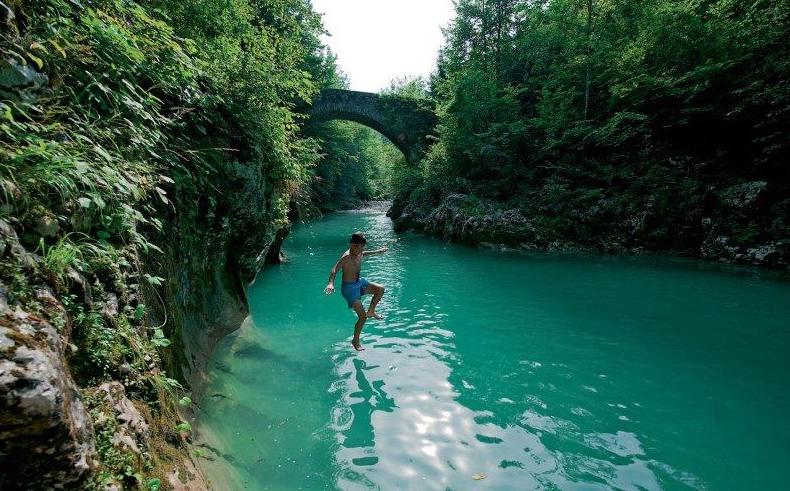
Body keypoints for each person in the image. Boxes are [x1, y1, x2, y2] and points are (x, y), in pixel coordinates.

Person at [324, 231, 388, 351]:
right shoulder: (346, 257)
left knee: (380, 289)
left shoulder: (359, 252)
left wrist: (378, 251)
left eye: (362, 247)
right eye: (359, 247)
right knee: (362, 317)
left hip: (359, 283)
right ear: (352, 245)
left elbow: (365, 253)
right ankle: (355, 341)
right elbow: (334, 269)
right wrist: (331, 283)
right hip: (349, 289)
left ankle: (371, 311)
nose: (361, 250)